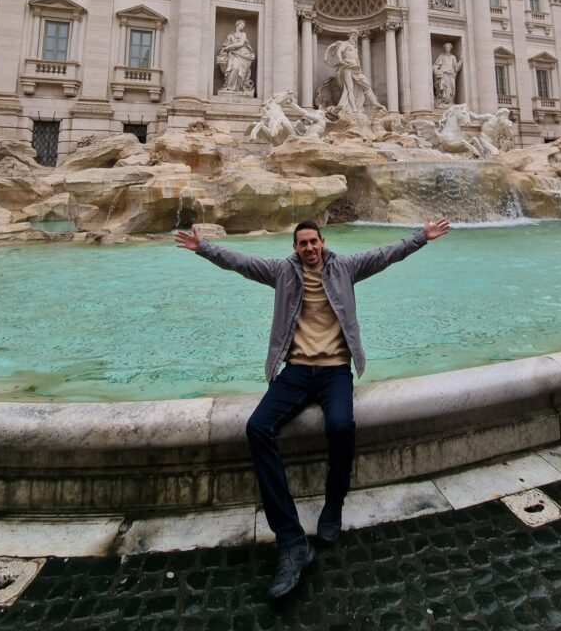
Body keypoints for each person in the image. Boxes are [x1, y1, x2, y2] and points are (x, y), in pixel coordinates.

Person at [175, 216, 450, 599]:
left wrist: (422, 237)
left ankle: (333, 506)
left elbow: (387, 254)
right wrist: (203, 248)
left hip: (336, 369)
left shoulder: (346, 267)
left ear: (323, 242)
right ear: (295, 248)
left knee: (340, 426)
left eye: (313, 242)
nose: (309, 249)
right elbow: (239, 262)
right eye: (302, 244)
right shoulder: (281, 272)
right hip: (297, 370)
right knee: (257, 428)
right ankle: (290, 538)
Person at [323, 32, 381, 113]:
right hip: (347, 66)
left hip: (356, 68)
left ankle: (375, 103)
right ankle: (354, 108)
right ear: (349, 36)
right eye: (353, 35)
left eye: (356, 36)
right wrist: (340, 60)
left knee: (366, 85)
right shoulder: (345, 44)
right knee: (350, 88)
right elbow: (339, 51)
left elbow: (357, 60)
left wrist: (360, 68)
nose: (354, 37)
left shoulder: (355, 48)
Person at [216, 20, 255, 93]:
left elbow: (241, 43)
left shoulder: (243, 34)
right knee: (235, 68)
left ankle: (237, 88)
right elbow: (224, 45)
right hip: (232, 55)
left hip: (243, 55)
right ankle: (228, 87)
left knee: (237, 69)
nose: (242, 27)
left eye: (243, 26)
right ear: (237, 25)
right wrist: (224, 49)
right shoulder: (230, 36)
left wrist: (229, 47)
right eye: (241, 25)